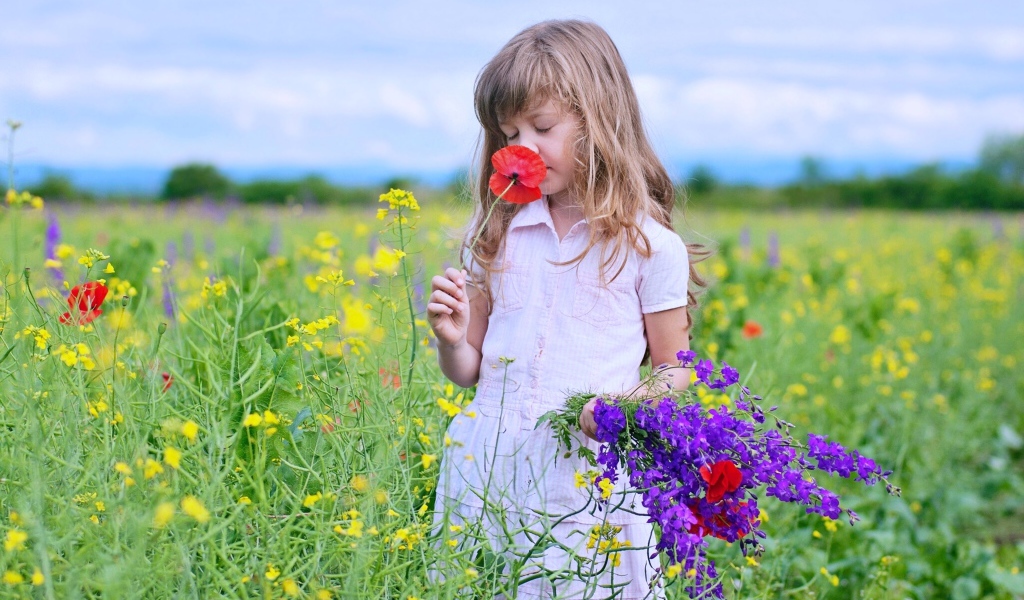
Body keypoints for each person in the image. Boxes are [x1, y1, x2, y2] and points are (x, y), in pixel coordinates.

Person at [426, 19, 705, 599]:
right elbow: (468, 373)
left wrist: (618, 408)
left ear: (599, 121)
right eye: (509, 132)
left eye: (543, 126)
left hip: (586, 474)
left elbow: (676, 370)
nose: (521, 147)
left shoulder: (650, 247)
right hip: (488, 465)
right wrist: (452, 340)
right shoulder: (494, 234)